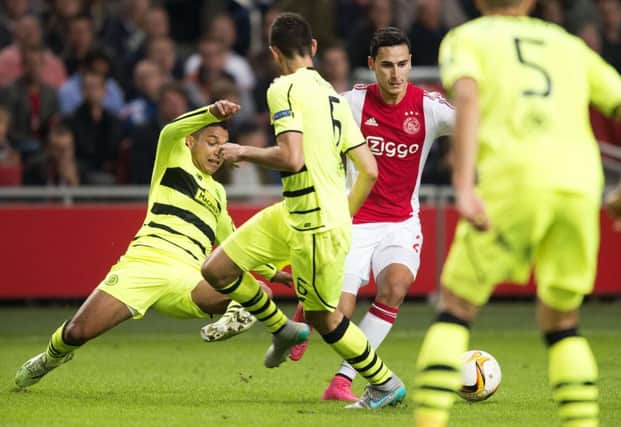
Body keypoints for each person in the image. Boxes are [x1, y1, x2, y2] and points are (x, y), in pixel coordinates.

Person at [412, 1, 621, 426]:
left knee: (455, 307)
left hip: (512, 180)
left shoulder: (468, 37)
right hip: (579, 186)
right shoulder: (569, 44)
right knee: (563, 320)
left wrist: (465, 185)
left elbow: (467, 95)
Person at [200, 12, 406, 409]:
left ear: (274, 52)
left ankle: (385, 383)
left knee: (324, 318)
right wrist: (344, 213)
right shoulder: (332, 94)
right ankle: (282, 329)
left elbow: (291, 158)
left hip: (314, 225)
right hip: (293, 212)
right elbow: (370, 169)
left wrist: (243, 150)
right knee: (217, 270)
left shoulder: (282, 89)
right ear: (313, 47)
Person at [14, 99, 291, 389]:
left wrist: (272, 271)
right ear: (190, 141)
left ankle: (235, 313)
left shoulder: (219, 194)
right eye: (211, 142)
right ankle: (49, 358)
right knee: (77, 332)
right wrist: (211, 111)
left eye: (223, 146)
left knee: (258, 290)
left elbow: (235, 242)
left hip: (189, 275)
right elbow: (171, 129)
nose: (218, 151)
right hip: (144, 264)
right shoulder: (174, 157)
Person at [287, 27, 454, 402]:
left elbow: (474, 126)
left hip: (400, 222)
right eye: (387, 66)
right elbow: (309, 120)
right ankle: (309, 308)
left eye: (402, 65)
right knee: (335, 315)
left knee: (395, 286)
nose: (396, 75)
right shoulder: (351, 103)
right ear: (371, 66)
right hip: (354, 222)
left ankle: (342, 381)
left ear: (411, 64)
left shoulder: (428, 107)